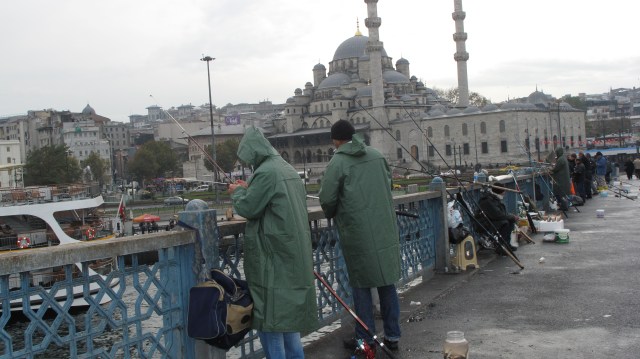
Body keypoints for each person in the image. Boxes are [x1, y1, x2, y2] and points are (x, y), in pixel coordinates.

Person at [229, 126, 317, 359]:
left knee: (270, 321)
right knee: (287, 321)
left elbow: (248, 207)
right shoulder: (285, 168)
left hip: (272, 258)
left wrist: (237, 192)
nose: (248, 163)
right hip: (292, 254)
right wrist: (250, 189)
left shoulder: (266, 172)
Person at [318, 120, 401, 351]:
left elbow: (327, 198)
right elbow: (388, 183)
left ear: (336, 140)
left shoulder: (338, 161)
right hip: (384, 228)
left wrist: (333, 212)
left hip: (357, 232)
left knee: (361, 285)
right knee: (387, 282)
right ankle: (393, 335)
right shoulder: (376, 155)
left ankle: (365, 338)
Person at [477, 183, 519, 252]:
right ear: (500, 191)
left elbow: (501, 213)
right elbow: (497, 214)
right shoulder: (488, 200)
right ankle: (501, 248)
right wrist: (511, 217)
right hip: (486, 222)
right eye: (504, 190)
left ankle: (507, 244)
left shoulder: (494, 198)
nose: (505, 192)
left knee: (511, 221)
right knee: (506, 223)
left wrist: (512, 216)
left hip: (494, 219)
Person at [549, 147, 572, 211]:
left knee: (560, 194)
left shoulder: (561, 159)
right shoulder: (563, 158)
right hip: (564, 180)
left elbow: (556, 169)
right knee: (563, 194)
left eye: (556, 152)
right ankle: (565, 205)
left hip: (561, 180)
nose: (556, 153)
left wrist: (551, 169)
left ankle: (564, 206)